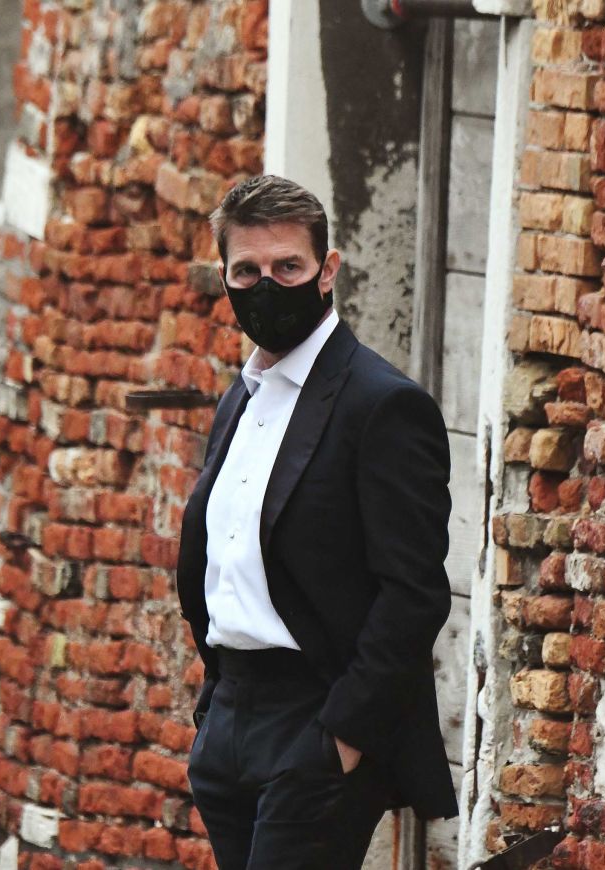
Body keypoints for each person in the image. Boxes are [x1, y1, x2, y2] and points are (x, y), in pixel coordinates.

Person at [176, 174, 457, 869]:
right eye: (247, 270)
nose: (266, 285)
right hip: (230, 721)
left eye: (287, 267)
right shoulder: (240, 400)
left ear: (326, 271)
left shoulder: (382, 406)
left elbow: (414, 592)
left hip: (316, 724)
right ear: (225, 277)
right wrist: (213, 710)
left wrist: (341, 739)